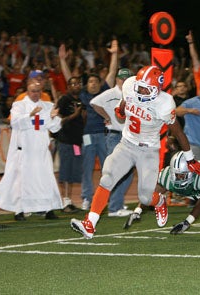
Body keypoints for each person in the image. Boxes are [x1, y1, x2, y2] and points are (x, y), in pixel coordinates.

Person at [70, 65, 200, 239]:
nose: (140, 90)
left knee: (145, 197)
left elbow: (178, 132)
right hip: (127, 144)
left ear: (156, 89)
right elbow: (123, 107)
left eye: (145, 88)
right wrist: (120, 109)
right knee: (107, 177)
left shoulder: (164, 103)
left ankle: (159, 200)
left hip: (148, 151)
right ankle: (90, 224)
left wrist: (190, 159)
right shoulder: (130, 85)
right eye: (139, 86)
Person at [0, 78, 62, 220]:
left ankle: (48, 209)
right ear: (27, 92)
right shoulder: (19, 105)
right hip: (25, 150)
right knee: (22, 181)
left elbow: (55, 127)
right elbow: (15, 123)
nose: (35, 94)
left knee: (45, 178)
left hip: (41, 149)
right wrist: (31, 115)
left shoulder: (47, 105)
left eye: (38, 91)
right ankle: (19, 210)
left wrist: (54, 118)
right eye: (32, 91)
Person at [59, 39, 118, 211]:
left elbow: (112, 73)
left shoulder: (104, 93)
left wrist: (114, 55)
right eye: (90, 82)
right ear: (87, 84)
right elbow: (69, 78)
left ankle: (107, 197)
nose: (93, 84)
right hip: (86, 137)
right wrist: (63, 60)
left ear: (100, 84)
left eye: (96, 82)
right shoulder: (82, 94)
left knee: (107, 168)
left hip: (104, 136)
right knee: (87, 169)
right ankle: (86, 198)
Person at [90, 68, 134, 217]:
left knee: (127, 172)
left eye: (127, 79)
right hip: (115, 136)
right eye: (122, 79)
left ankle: (116, 203)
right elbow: (94, 102)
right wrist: (107, 116)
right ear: (117, 80)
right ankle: (115, 207)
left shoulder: (132, 94)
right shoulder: (110, 93)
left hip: (128, 137)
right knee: (117, 171)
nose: (124, 81)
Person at [55, 76, 84, 213]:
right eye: (73, 84)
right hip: (65, 140)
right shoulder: (64, 100)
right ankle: (65, 201)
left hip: (76, 142)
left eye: (78, 83)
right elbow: (57, 119)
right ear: (68, 87)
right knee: (65, 170)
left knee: (73, 171)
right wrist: (74, 115)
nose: (76, 85)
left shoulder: (80, 101)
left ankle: (69, 200)